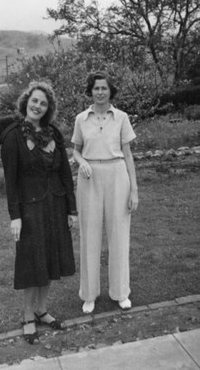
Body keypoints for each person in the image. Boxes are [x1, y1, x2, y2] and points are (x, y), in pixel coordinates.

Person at [0, 81, 78, 344]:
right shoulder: (13, 136)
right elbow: (11, 182)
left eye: (43, 103)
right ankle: (27, 317)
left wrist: (72, 209)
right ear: (26, 102)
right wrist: (15, 216)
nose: (38, 106)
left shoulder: (54, 134)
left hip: (55, 205)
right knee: (32, 263)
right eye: (34, 101)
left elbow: (65, 173)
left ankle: (42, 310)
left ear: (48, 108)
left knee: (50, 259)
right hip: (30, 209)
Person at [71, 71, 138, 315]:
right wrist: (82, 162)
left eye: (104, 88)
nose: (100, 92)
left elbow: (128, 155)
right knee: (89, 236)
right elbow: (76, 151)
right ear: (91, 91)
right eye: (96, 88)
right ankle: (89, 295)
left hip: (117, 175)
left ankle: (121, 292)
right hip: (89, 179)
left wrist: (134, 191)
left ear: (111, 91)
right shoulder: (81, 118)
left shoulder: (121, 118)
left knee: (119, 235)